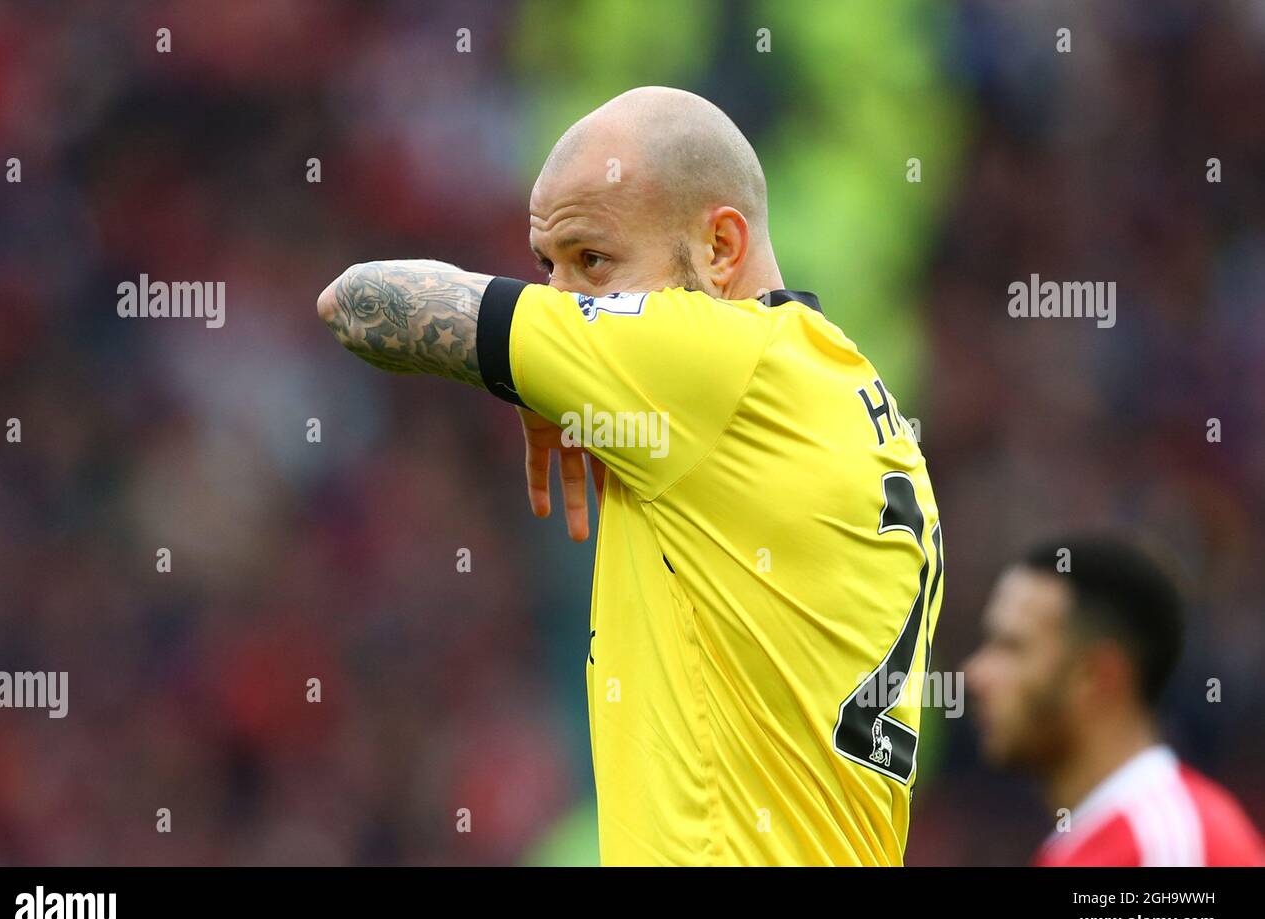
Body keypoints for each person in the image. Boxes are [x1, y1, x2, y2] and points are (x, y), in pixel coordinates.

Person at [318, 87, 943, 865]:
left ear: (720, 248)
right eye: (547, 268)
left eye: (593, 262)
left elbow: (361, 302)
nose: (564, 300)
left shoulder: (710, 359)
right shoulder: (855, 406)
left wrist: (530, 369)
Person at [966, 536, 1265, 866]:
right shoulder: (1084, 849)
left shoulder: (1164, 849)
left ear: (1096, 676)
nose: (974, 674)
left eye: (1012, 647)